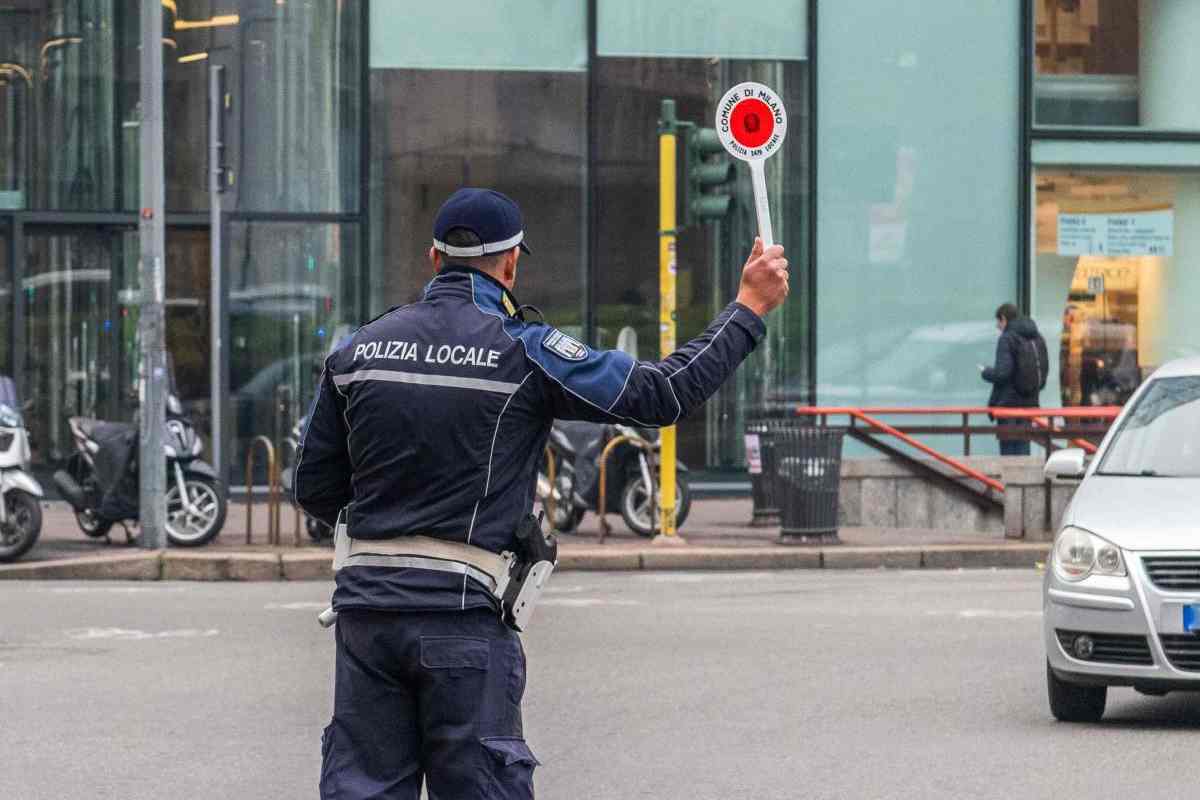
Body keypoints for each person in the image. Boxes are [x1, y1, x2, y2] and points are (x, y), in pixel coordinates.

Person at [294, 187, 789, 799]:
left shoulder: (358, 350)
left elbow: (312, 486)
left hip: (366, 621)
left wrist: (389, 524)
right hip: (464, 622)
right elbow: (663, 393)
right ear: (510, 264)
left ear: (434, 259)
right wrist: (748, 308)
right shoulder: (523, 350)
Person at [980, 302, 1049, 456]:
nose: (997, 326)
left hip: (1008, 404)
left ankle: (1010, 474)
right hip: (1030, 402)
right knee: (1023, 445)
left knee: (1009, 452)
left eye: (998, 322)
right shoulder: (1037, 337)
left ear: (1004, 319)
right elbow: (1044, 369)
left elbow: (1002, 373)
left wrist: (985, 372)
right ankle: (1024, 472)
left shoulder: (1007, 338)